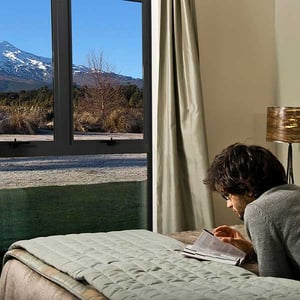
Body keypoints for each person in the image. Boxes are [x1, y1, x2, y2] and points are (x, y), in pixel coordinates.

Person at [203, 143, 300, 280]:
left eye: (227, 195)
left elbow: (277, 279)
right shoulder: (295, 191)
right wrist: (252, 250)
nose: (228, 204)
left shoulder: (257, 210)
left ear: (248, 188)